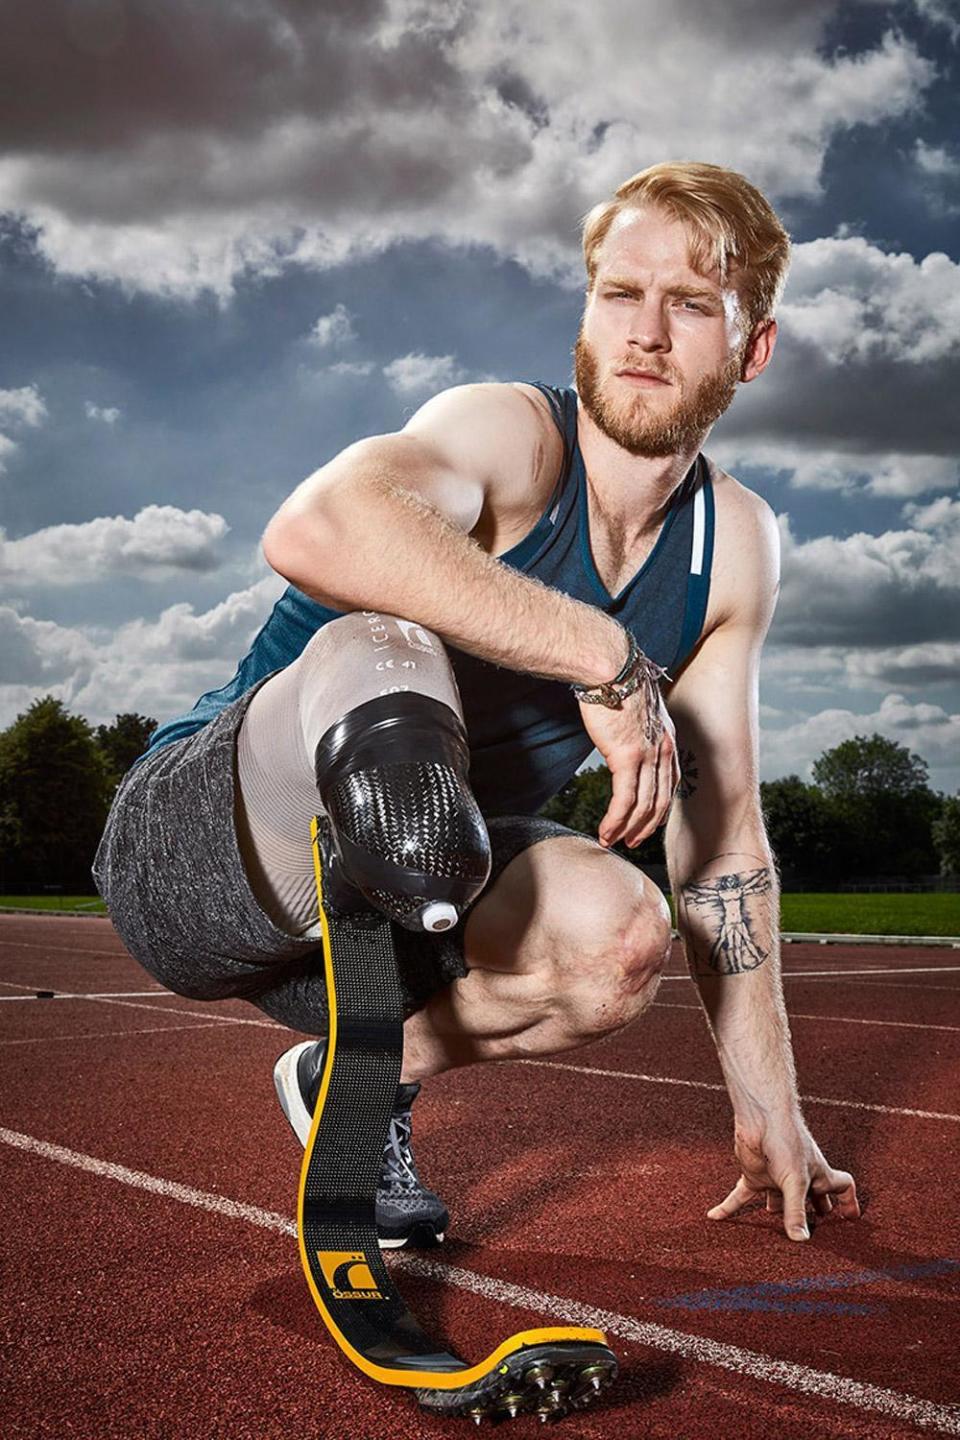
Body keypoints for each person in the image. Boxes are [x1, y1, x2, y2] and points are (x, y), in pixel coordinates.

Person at [93, 160, 860, 1251]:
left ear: (753, 346)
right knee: (379, 645)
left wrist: (769, 1106)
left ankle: (358, 1078)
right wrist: (602, 651)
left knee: (621, 935)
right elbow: (317, 528)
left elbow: (725, 844)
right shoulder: (513, 438)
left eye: (690, 305)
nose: (645, 332)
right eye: (619, 295)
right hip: (210, 852)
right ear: (586, 313)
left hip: (399, 917)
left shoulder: (730, 545)